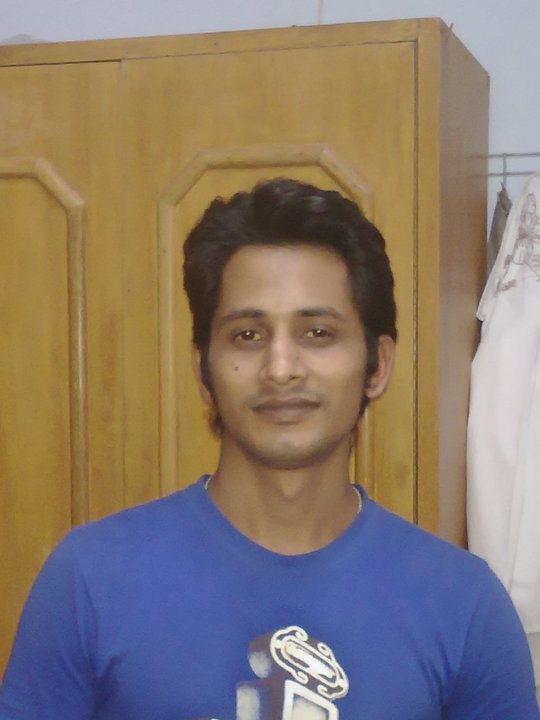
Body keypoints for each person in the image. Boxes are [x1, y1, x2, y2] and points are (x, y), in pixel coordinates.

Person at [0, 178, 538, 720]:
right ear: (203, 371)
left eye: (318, 333)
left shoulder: (465, 605)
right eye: (248, 335)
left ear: (378, 365)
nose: (281, 369)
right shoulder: (89, 580)